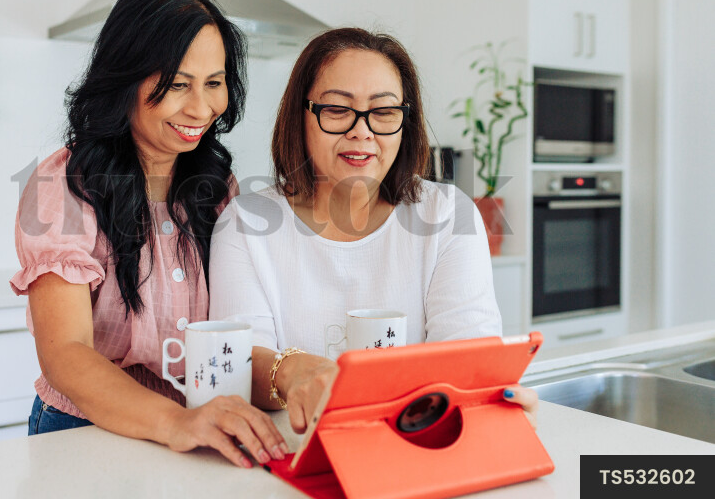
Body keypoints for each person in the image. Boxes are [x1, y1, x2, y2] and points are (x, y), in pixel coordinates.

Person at [10, 0, 286, 468]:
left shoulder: (218, 188)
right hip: (85, 429)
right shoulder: (64, 185)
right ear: (125, 79)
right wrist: (177, 423)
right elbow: (65, 352)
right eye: (178, 84)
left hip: (196, 427)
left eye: (214, 83)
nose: (201, 109)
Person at [208, 27, 538, 434]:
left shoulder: (450, 215)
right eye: (336, 109)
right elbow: (238, 362)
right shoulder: (244, 222)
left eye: (383, 112)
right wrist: (293, 373)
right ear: (301, 115)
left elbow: (466, 357)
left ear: (404, 122)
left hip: (416, 446)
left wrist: (487, 394)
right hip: (289, 447)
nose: (361, 131)